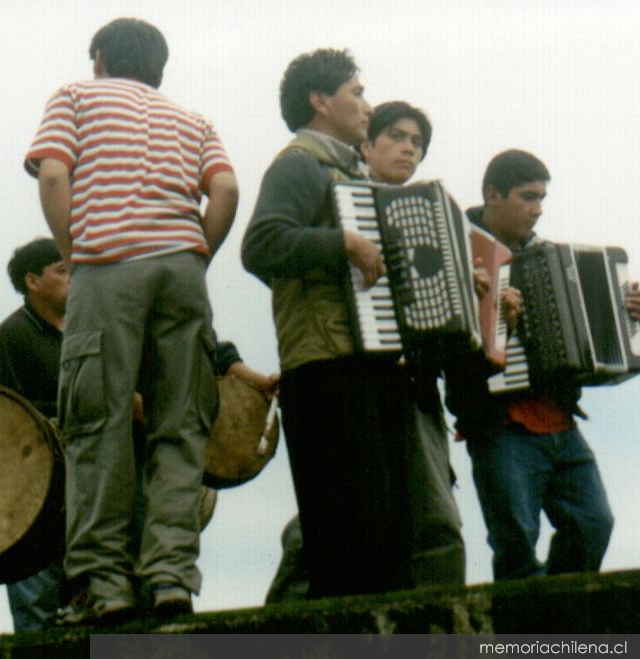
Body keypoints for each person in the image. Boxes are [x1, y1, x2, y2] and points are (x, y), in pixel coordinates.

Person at [24, 17, 238, 623]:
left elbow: (54, 172)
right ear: (159, 69)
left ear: (99, 58)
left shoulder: (75, 96)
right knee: (180, 425)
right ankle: (171, 579)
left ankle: (104, 585)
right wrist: (196, 255)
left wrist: (75, 249)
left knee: (98, 423)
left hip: (107, 266)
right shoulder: (194, 121)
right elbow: (223, 191)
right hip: (181, 272)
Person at [264, 101, 466, 604]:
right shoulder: (325, 183)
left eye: (416, 143)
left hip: (406, 386)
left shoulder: (424, 215)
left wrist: (467, 286)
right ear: (366, 146)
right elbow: (267, 248)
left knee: (406, 521)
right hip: (343, 374)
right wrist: (344, 244)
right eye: (396, 137)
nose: (407, 149)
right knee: (352, 525)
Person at [242, 49, 420, 599]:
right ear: (320, 101)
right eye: (356, 92)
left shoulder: (351, 171)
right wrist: (341, 240)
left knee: (388, 533)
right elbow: (260, 245)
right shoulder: (299, 162)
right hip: (323, 366)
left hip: (370, 363)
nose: (367, 106)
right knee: (347, 541)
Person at [446, 149, 640, 581]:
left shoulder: (549, 255)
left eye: (542, 199)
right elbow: (445, 339)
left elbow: (597, 354)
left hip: (559, 419)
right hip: (497, 421)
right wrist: (494, 315)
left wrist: (626, 315)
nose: (537, 210)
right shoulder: (459, 251)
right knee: (515, 539)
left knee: (594, 523)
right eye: (527, 197)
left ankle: (551, 627)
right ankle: (524, 640)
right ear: (492, 195)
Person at [0, 237, 70, 632]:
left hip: (79, 493)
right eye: (64, 270)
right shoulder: (13, 336)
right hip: (28, 501)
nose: (75, 278)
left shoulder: (84, 328)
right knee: (38, 616)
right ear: (33, 281)